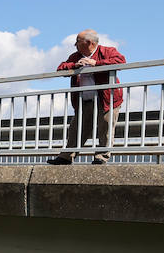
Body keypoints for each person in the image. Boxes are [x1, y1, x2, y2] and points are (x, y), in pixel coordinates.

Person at [48, 30, 125, 165]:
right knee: (76, 128)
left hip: (107, 99)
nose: (75, 45)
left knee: (105, 127)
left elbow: (120, 61)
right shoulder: (76, 56)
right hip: (84, 99)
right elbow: (61, 68)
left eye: (77, 42)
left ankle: (101, 156)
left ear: (89, 43)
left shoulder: (108, 51)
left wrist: (96, 63)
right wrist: (75, 65)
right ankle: (67, 156)